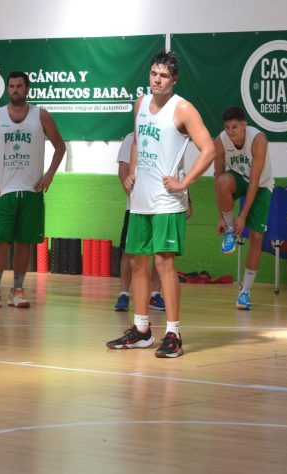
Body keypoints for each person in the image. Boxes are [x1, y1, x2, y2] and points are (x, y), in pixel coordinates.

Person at [106, 50, 215, 358]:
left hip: (168, 201)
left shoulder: (183, 109)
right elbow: (139, 142)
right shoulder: (140, 104)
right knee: (138, 262)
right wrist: (131, 171)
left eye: (164, 75)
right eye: (154, 73)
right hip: (140, 199)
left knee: (163, 263)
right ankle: (141, 329)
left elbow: (208, 150)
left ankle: (173, 333)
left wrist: (184, 183)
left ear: (174, 79)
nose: (157, 79)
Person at [0, 71, 66, 309]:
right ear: (7, 90)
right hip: (4, 192)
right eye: (11, 86)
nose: (15, 89)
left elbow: (59, 147)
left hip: (32, 192)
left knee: (24, 243)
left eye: (19, 86)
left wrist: (49, 175)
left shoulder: (41, 116)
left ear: (27, 89)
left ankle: (18, 290)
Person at [213, 106, 273, 310]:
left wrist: (243, 216)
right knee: (223, 181)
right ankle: (230, 232)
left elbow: (255, 181)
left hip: (261, 185)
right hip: (238, 179)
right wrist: (221, 216)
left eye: (235, 127)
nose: (231, 132)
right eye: (227, 127)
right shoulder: (221, 141)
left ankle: (245, 292)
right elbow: (217, 177)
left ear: (245, 125)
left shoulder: (258, 140)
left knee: (256, 238)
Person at [114, 132, 165, 312]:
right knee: (130, 251)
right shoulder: (131, 138)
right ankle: (124, 294)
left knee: (161, 251)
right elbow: (123, 170)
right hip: (136, 207)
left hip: (160, 206)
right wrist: (133, 197)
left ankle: (155, 295)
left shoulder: (164, 135)